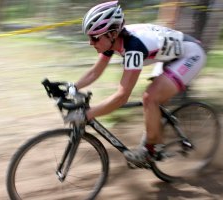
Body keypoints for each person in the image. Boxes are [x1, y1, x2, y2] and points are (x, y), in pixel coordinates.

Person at [72, 1, 206, 164]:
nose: (90, 42)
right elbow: (95, 72)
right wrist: (72, 87)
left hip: (191, 55)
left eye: (94, 38)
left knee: (150, 98)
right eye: (89, 37)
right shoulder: (111, 40)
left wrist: (88, 114)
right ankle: (156, 136)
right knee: (153, 100)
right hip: (168, 56)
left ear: (113, 34)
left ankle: (150, 148)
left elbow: (122, 97)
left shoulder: (134, 47)